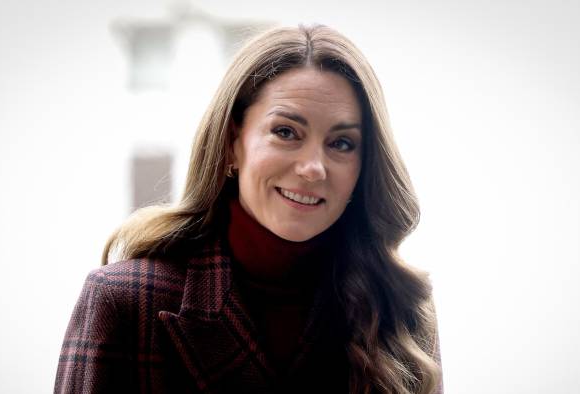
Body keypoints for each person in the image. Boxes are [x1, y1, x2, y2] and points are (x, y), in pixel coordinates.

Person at [55, 24, 443, 394]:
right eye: (286, 132)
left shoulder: (399, 308)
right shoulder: (125, 301)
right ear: (231, 143)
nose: (313, 168)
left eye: (341, 143)